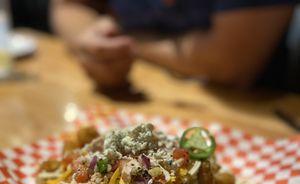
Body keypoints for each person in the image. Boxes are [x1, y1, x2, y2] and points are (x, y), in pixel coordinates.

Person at [50, 0, 299, 91]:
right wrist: (92, 43)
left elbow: (228, 63)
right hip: (128, 99)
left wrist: (128, 42)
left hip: (252, 113)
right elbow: (69, 6)